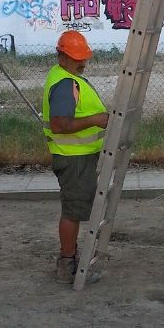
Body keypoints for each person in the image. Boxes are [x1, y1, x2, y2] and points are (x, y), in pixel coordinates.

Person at [42, 30, 109, 284]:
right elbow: (60, 124)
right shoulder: (64, 84)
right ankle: (67, 264)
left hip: (78, 156)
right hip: (74, 158)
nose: (83, 63)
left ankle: (69, 259)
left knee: (75, 208)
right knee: (72, 210)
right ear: (62, 56)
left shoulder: (66, 77)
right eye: (77, 58)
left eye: (84, 57)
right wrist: (97, 120)